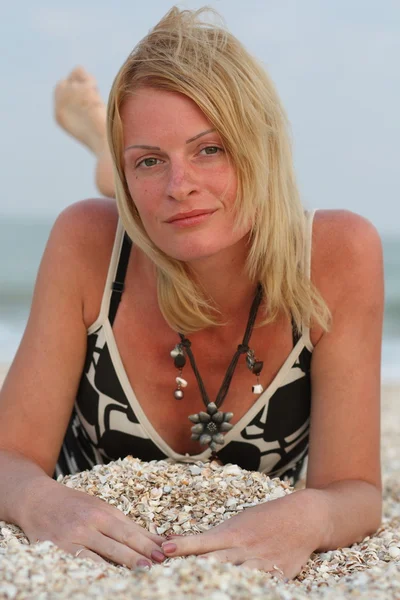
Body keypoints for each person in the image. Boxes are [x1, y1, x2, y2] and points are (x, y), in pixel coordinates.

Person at [0, 6, 383, 579]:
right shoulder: (87, 240)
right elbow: (8, 460)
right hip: (121, 228)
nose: (180, 185)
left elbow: (355, 491)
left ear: (261, 145)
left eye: (212, 148)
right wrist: (39, 501)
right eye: (149, 160)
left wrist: (309, 516)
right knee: (127, 214)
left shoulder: (339, 252)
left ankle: (107, 148)